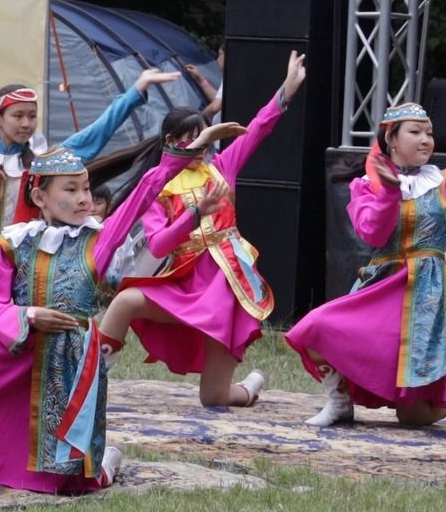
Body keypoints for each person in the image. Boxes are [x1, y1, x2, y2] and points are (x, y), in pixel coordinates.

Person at [0, 127, 241, 496]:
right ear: (40, 196)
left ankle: (108, 460)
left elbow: (143, 193)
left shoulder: (99, 239)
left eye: (85, 188)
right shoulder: (13, 243)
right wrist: (27, 316)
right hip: (17, 349)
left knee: (68, 481)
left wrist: (186, 155)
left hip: (69, 362)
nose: (83, 199)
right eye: (70, 190)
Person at [285, 61, 446, 429]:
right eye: (416, 132)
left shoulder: (444, 182)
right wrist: (389, 193)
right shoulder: (365, 187)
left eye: (430, 132)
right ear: (391, 138)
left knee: (415, 416)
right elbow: (373, 234)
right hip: (382, 289)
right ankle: (339, 401)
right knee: (312, 328)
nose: (426, 139)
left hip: (426, 296)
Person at [95, 50, 309, 409]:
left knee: (215, 398)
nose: (197, 147)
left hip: (225, 286)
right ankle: (92, 378)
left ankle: (250, 386)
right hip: (184, 284)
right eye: (187, 140)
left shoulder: (221, 166)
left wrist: (285, 92)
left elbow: (257, 128)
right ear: (169, 144)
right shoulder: (158, 187)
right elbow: (159, 246)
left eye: (203, 138)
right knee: (125, 301)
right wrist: (192, 216)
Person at [0, 69, 181, 250]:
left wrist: (136, 90)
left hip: (22, 261)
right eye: (18, 115)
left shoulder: (44, 161)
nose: (26, 123)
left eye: (32, 116)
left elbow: (94, 135)